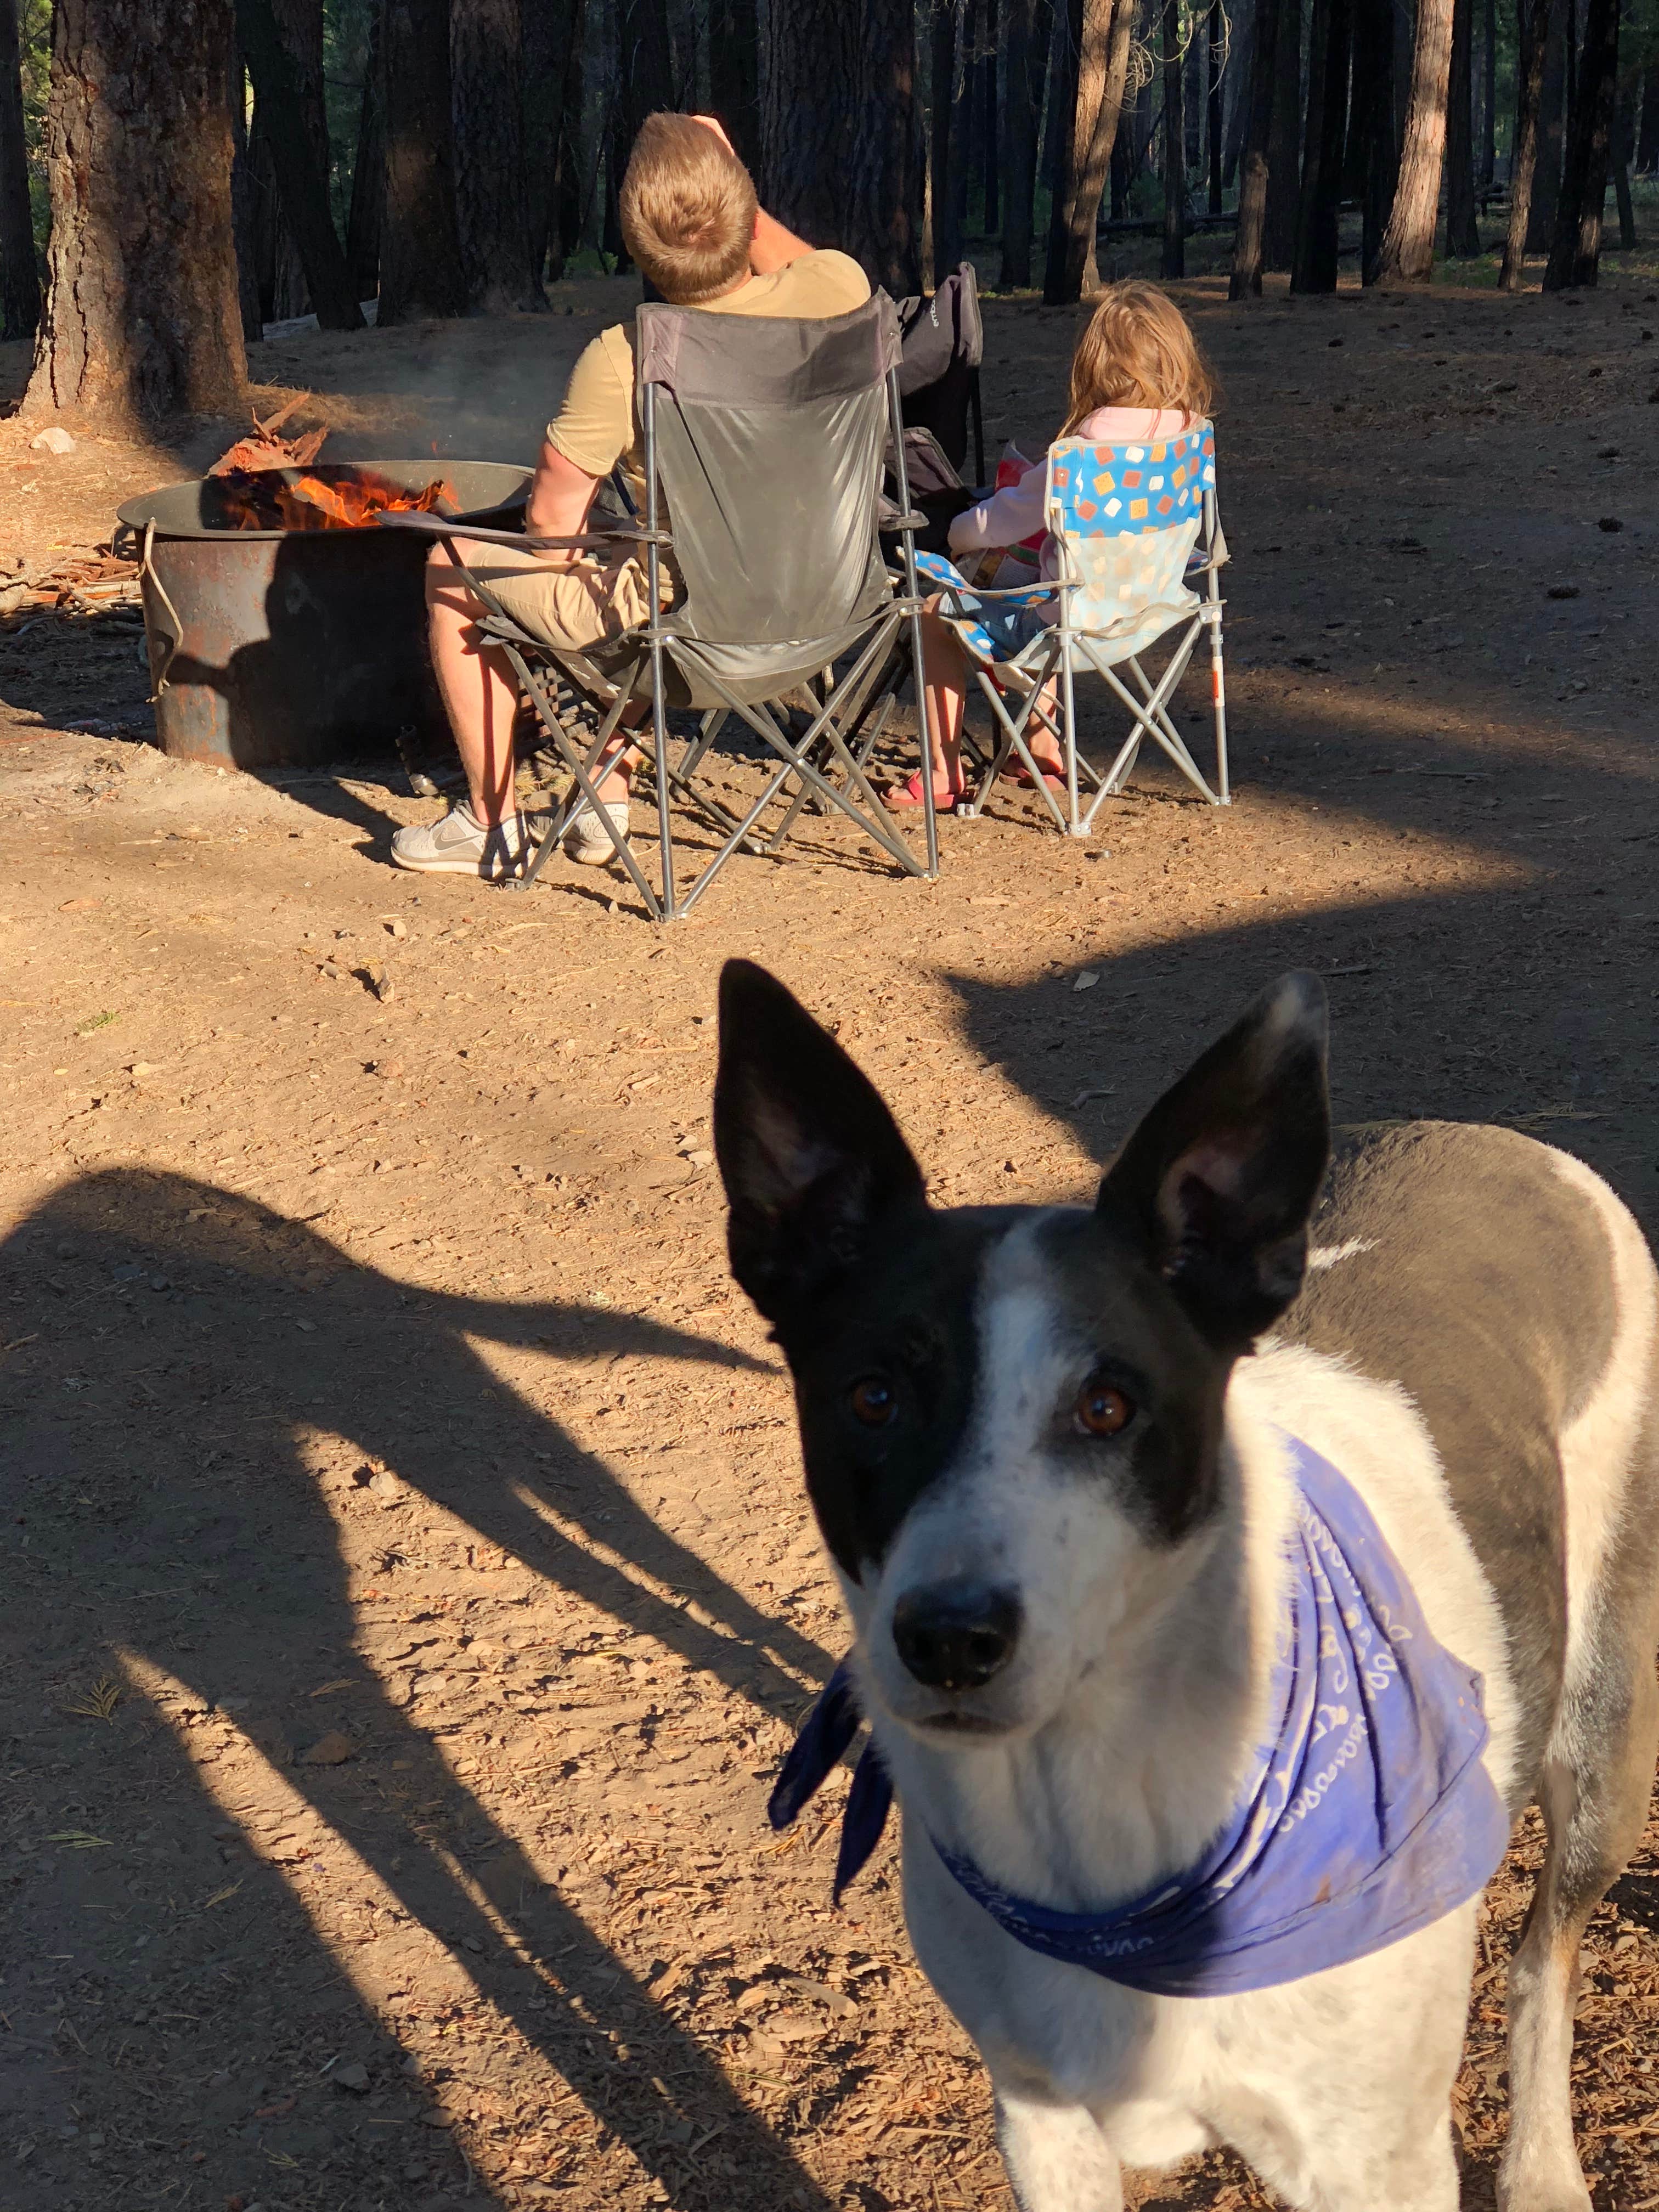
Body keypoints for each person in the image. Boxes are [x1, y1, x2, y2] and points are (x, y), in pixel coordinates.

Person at [392, 114, 871, 878]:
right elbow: (790, 257)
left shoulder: (626, 359)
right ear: (744, 208)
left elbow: (549, 525)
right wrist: (722, 162)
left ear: (636, 244)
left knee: (455, 564)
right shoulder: (840, 294)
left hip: (696, 635)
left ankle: (489, 824)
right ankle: (603, 796)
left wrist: (575, 551)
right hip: (836, 608)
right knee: (635, 548)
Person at [888, 279, 1215, 814]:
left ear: (1091, 368)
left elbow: (999, 522)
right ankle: (1040, 748)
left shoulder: (1080, 455)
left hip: (1073, 623)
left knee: (936, 613)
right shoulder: (1190, 438)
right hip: (1154, 606)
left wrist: (952, 534)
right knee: (1048, 589)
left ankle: (943, 772)